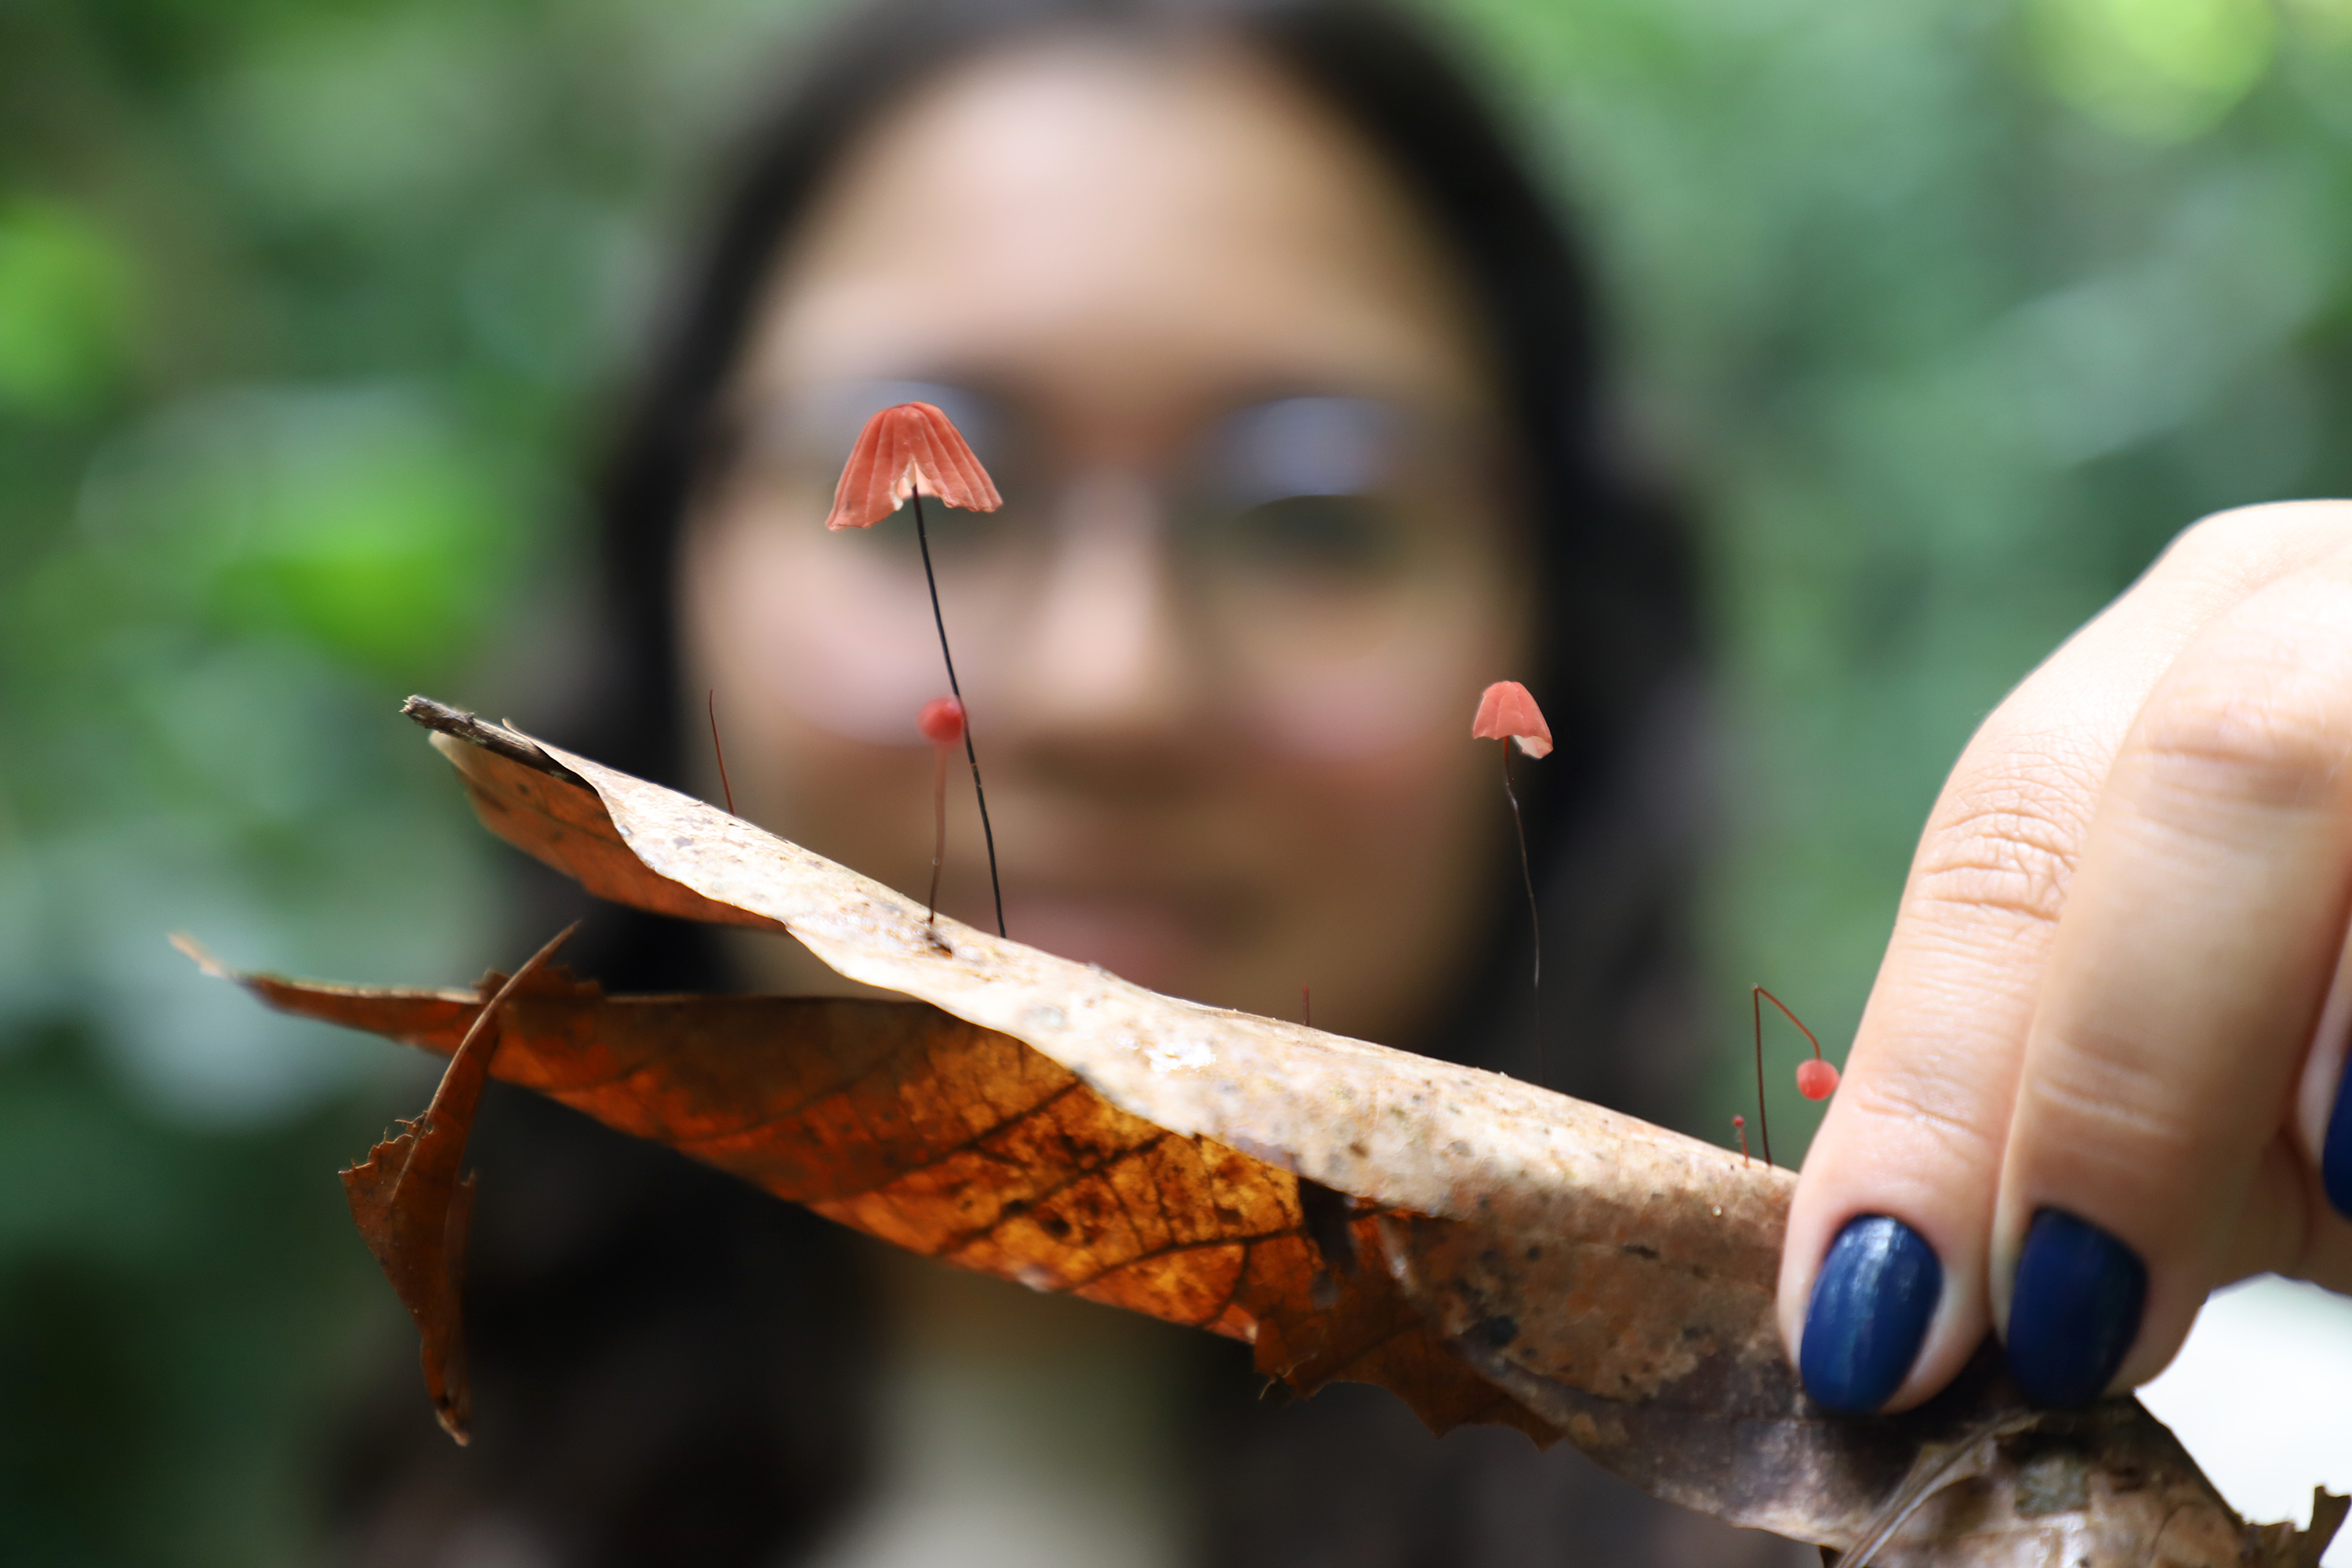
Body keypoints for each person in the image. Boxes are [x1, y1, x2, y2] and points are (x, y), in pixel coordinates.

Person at [327, 0, 2352, 1561]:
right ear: (664, 569)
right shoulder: (447, 1506)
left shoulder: (2129, 1454)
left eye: (1312, 509)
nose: (1112, 687)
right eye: (923, 474)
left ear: (1558, 603)